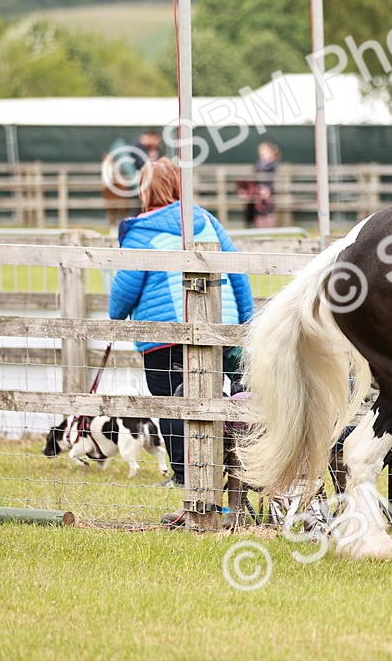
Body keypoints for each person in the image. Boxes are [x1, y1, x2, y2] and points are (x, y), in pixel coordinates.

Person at [108, 158, 254, 506]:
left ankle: (184, 475)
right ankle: (236, 469)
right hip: (223, 328)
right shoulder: (206, 219)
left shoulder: (141, 232)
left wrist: (116, 315)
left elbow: (124, 290)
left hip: (167, 335)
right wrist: (246, 325)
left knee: (174, 403)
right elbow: (238, 273)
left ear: (146, 191)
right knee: (227, 401)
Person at [246, 140, 279, 229]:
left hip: (269, 192)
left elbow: (274, 179)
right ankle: (260, 230)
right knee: (258, 212)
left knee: (269, 211)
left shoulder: (273, 164)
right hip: (259, 193)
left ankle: (269, 230)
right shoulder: (259, 164)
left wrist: (268, 190)